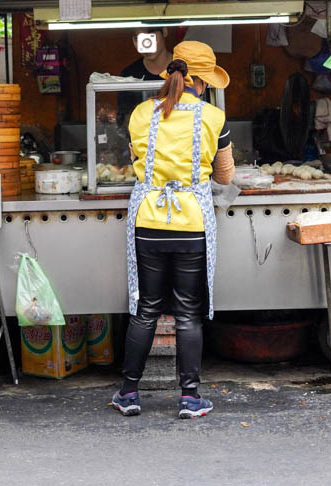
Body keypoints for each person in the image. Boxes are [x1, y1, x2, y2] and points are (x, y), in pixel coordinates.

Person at [111, 41, 234, 419]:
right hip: (191, 223)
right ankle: (189, 398)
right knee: (187, 312)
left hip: (148, 220)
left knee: (145, 308)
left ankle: (128, 394)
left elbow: (135, 159)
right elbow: (226, 176)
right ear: (200, 80)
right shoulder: (213, 118)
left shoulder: (140, 113)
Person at [117, 27, 173, 126]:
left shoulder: (184, 69)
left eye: (150, 36)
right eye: (138, 39)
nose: (146, 44)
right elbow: (125, 119)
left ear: (164, 31)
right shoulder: (129, 75)